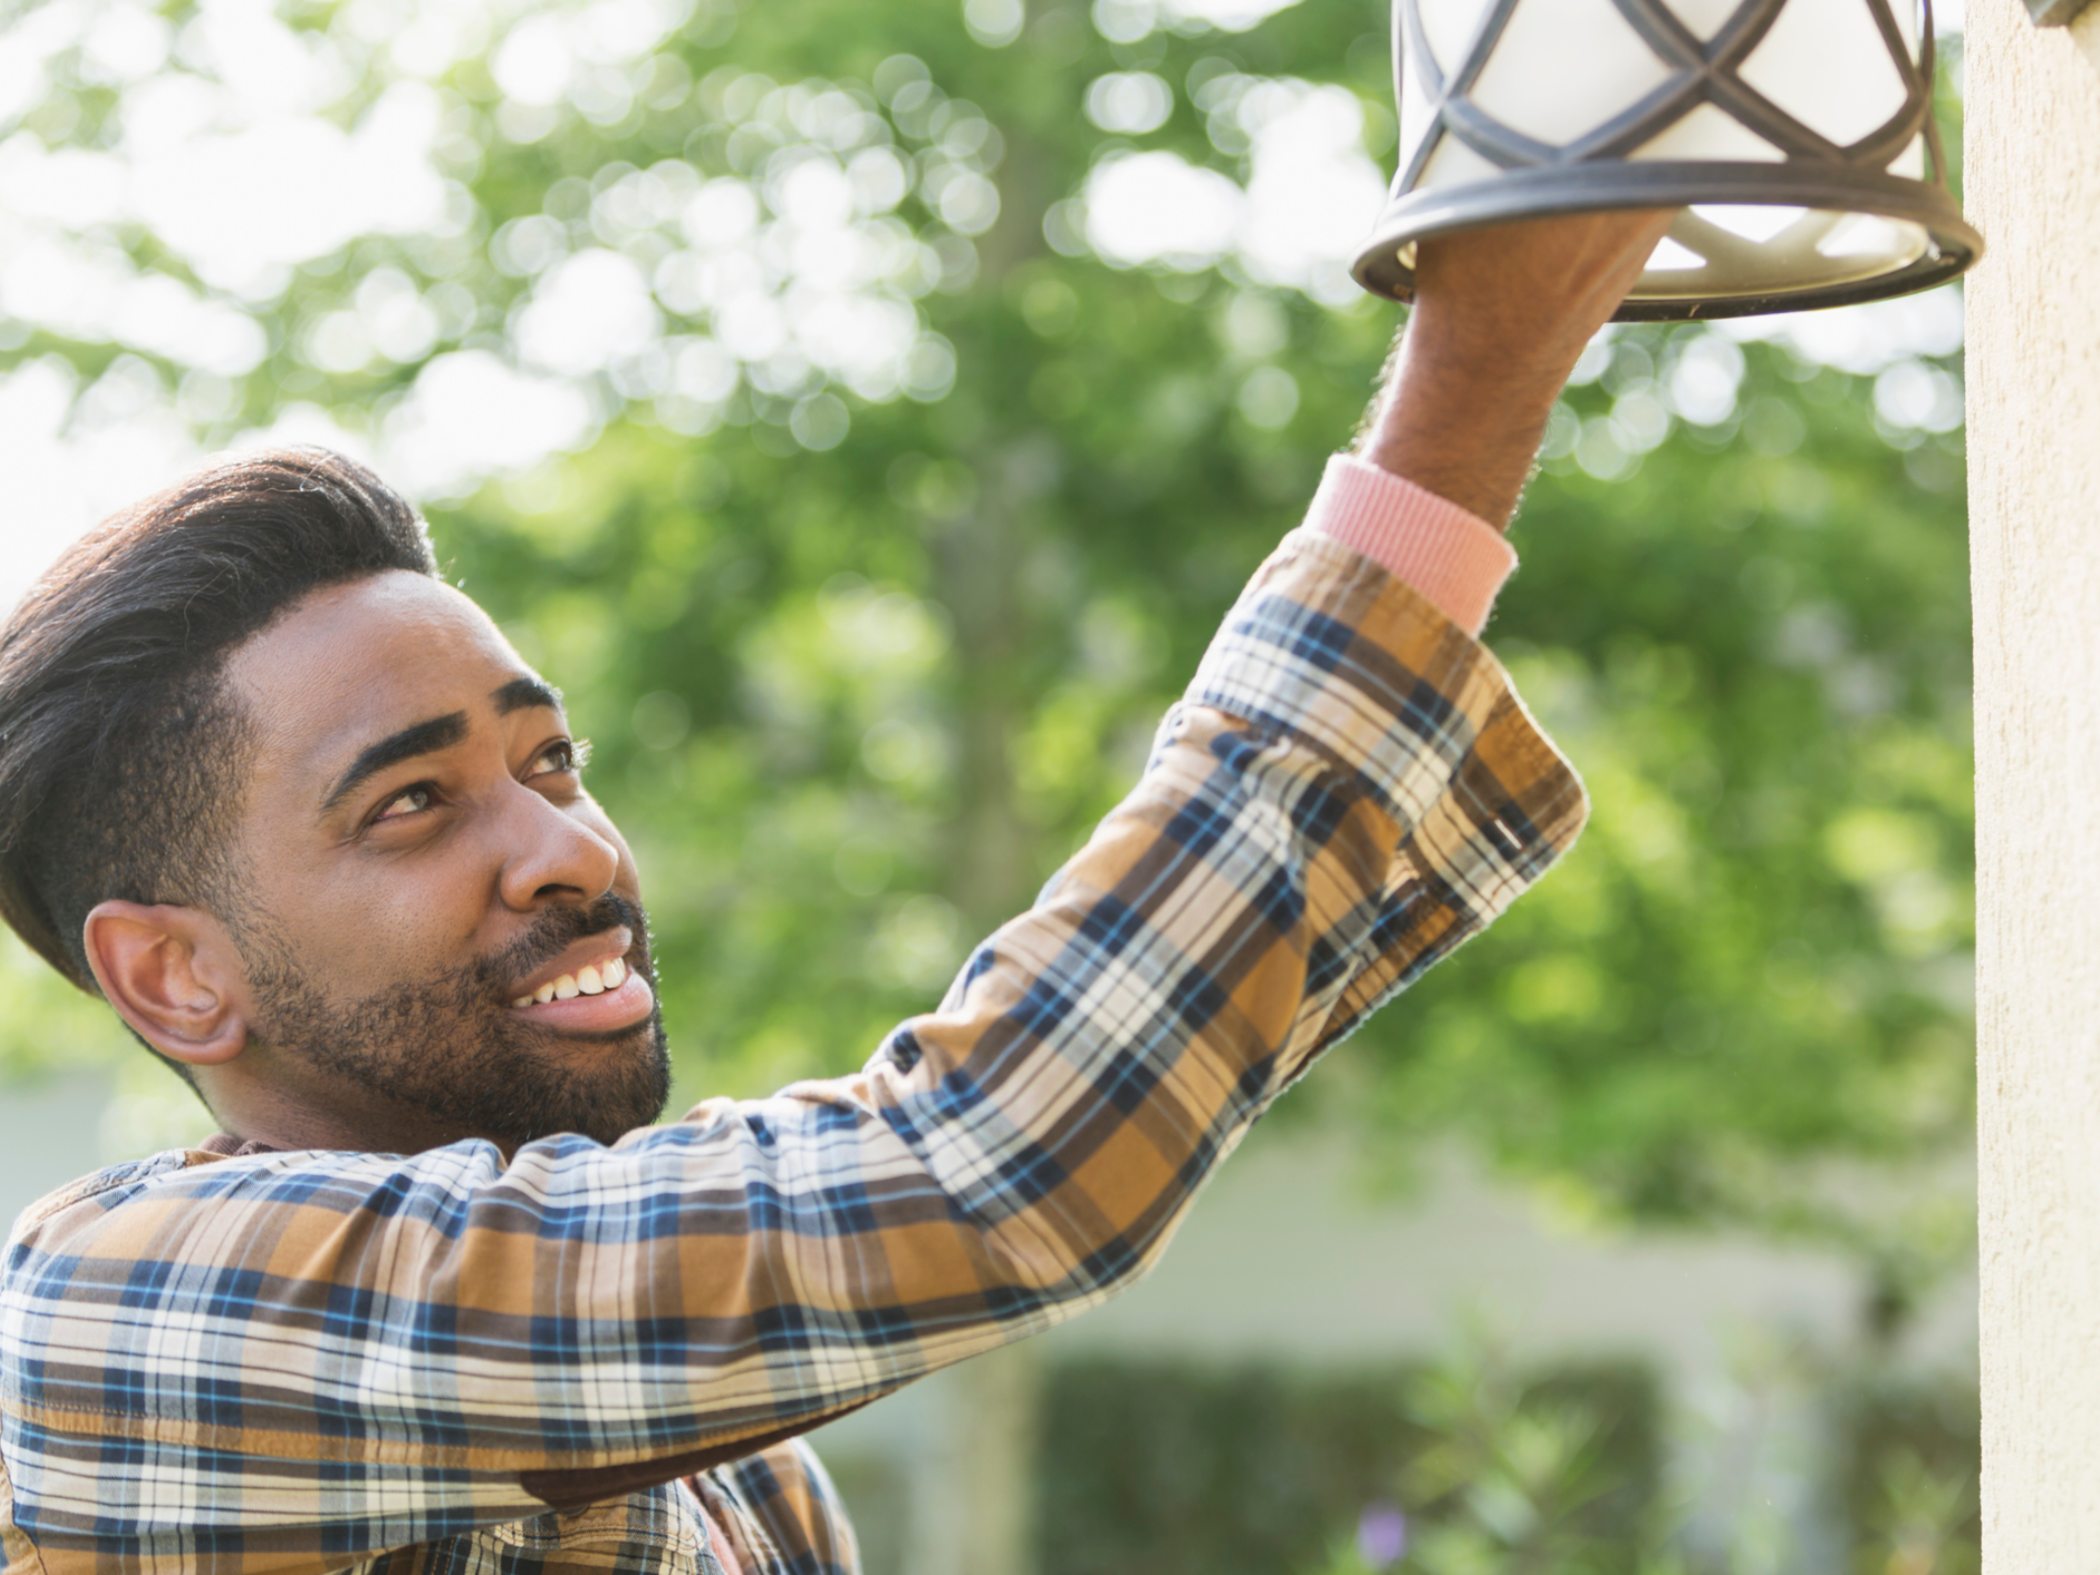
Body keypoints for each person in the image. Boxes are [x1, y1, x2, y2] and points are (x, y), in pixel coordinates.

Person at [0, 206, 1674, 1573]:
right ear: (170, 978)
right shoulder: (113, 1314)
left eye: (553, 762)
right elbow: (985, 1167)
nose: (570, 852)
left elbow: (1072, 1121)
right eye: (415, 804)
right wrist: (1476, 374)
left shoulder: (742, 1486)